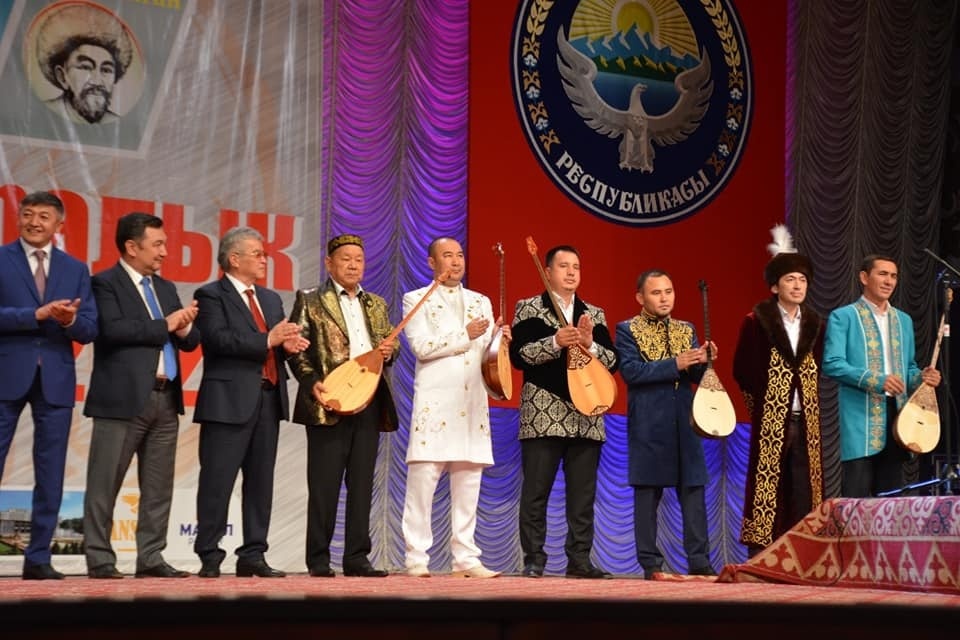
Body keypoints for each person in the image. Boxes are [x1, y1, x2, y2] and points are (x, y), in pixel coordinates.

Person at [82, 213, 201, 579]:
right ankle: (100, 559)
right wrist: (166, 324)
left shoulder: (164, 288)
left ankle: (150, 557)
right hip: (121, 399)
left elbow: (190, 341)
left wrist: (185, 328)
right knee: (105, 483)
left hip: (166, 398)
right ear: (132, 247)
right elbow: (112, 330)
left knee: (158, 486)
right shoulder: (105, 283)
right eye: (158, 244)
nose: (164, 251)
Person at [193, 226, 308, 578]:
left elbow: (274, 344)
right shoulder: (211, 295)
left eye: (264, 254)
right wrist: (269, 339)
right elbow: (218, 340)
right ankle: (210, 554)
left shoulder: (270, 299)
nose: (264, 259)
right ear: (234, 259)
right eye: (257, 253)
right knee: (218, 481)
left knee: (260, 482)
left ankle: (253, 553)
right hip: (227, 401)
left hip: (268, 399)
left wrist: (288, 346)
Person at [0, 190, 97, 580]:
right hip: (6, 373)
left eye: (43, 216)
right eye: (28, 214)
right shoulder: (2, 259)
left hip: (56, 378)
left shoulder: (75, 269)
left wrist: (69, 320)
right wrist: (34, 314)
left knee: (51, 470)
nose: (34, 222)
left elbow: (89, 328)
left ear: (59, 224)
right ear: (18, 218)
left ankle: (38, 558)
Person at [288, 233, 397, 578]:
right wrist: (311, 382)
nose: (353, 265)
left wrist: (389, 352)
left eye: (358, 260)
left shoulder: (376, 304)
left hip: (368, 400)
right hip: (330, 400)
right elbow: (296, 350)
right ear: (329, 263)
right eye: (346, 259)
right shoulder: (310, 300)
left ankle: (357, 558)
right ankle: (319, 559)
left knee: (362, 484)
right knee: (324, 485)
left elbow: (388, 343)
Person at [400, 237, 508, 578]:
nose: (456, 261)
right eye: (447, 256)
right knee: (423, 483)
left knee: (468, 482)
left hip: (472, 401)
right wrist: (465, 334)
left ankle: (465, 558)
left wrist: (499, 339)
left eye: (460, 255)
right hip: (436, 402)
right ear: (432, 263)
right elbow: (421, 347)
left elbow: (485, 350)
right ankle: (416, 557)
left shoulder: (480, 301)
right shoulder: (416, 299)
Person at [509, 244, 618, 579]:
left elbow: (612, 362)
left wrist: (589, 344)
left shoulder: (593, 314)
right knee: (536, 492)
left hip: (587, 413)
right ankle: (534, 558)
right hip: (543, 411)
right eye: (563, 266)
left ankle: (580, 560)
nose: (571, 273)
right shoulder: (529, 307)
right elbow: (520, 356)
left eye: (576, 267)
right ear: (548, 271)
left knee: (582, 496)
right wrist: (555, 341)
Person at [613, 269, 716, 579]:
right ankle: (650, 564)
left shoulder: (686, 329)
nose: (664, 298)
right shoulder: (627, 329)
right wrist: (676, 363)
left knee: (693, 490)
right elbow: (631, 372)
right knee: (647, 493)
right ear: (640, 297)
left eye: (668, 291)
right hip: (649, 422)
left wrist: (706, 362)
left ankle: (699, 561)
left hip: (686, 421)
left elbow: (696, 377)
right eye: (656, 292)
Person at [732, 227, 826, 557]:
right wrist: (763, 408)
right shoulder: (757, 321)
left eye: (802, 280)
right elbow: (743, 371)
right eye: (790, 280)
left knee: (804, 487)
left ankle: (804, 553)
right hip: (771, 417)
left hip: (807, 419)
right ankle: (762, 554)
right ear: (775, 286)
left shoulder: (816, 323)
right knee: (768, 487)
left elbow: (817, 368)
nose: (797, 285)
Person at [823, 255, 941, 497]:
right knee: (857, 501)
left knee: (891, 501)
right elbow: (832, 363)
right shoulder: (844, 316)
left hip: (898, 419)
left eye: (894, 276)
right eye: (883, 274)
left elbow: (908, 369)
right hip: (860, 419)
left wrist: (922, 378)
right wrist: (877, 380)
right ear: (864, 277)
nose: (889, 281)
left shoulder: (903, 320)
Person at [35, 3, 135, 125]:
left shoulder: (118, 123)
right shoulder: (42, 115)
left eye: (106, 70)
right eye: (86, 67)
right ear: (62, 76)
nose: (97, 81)